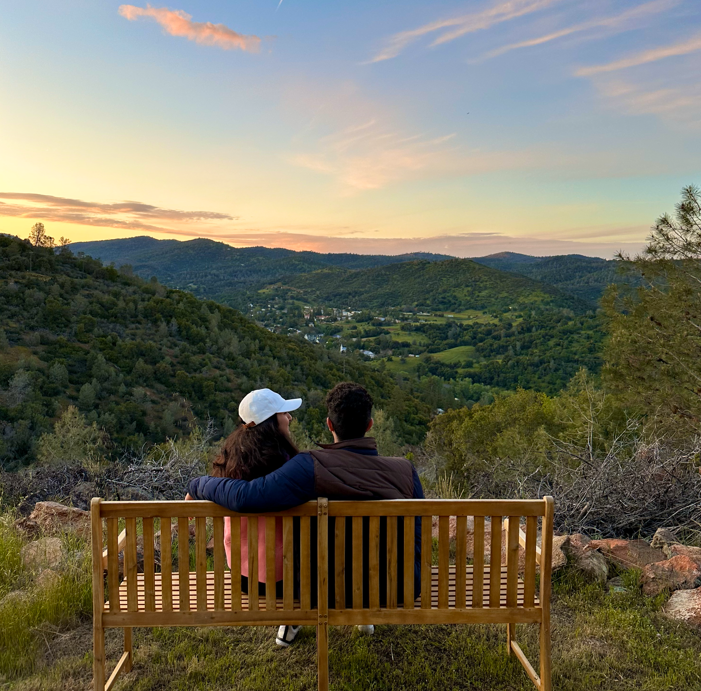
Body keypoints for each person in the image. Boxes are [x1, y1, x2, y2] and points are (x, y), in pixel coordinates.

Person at [187, 382, 425, 647]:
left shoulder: (310, 467)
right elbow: (418, 536)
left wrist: (198, 485)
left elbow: (247, 496)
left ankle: (294, 622)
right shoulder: (406, 471)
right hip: (400, 585)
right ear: (370, 425)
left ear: (329, 425)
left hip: (323, 588)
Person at [187, 388, 301, 614]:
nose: (289, 417)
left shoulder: (231, 461)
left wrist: (198, 485)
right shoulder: (284, 464)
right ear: (270, 421)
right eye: (284, 413)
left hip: (243, 576)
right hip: (283, 578)